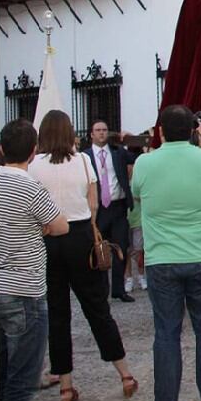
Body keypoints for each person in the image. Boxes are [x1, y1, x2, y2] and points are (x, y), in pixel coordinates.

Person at [31, 110, 137, 401]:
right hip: (79, 234)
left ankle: (65, 385)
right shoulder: (81, 160)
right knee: (97, 309)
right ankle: (125, 374)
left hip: (48, 237)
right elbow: (92, 203)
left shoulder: (34, 166)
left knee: (58, 314)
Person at [131, 105, 201, 401]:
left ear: (160, 132)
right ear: (191, 131)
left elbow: (136, 192)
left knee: (167, 333)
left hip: (162, 259)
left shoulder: (146, 162)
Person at [0, 119, 68, 401]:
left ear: (0, 150)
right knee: (21, 379)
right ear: (33, 151)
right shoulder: (29, 186)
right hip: (24, 288)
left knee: (1, 372)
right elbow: (59, 225)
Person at [83, 119, 136, 302]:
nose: (102, 133)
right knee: (99, 250)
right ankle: (101, 289)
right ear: (91, 134)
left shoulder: (118, 153)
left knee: (121, 246)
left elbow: (137, 158)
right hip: (98, 208)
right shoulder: (85, 156)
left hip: (118, 206)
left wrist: (130, 140)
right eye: (98, 130)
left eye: (105, 130)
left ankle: (119, 289)